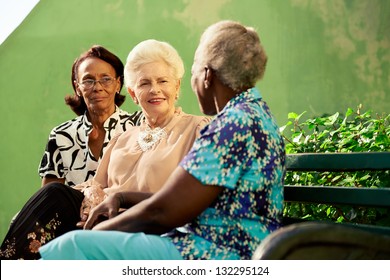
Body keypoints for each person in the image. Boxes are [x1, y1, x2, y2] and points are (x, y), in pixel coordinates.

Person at [39, 20, 286, 260]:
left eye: (192, 74)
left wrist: (95, 234)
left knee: (72, 246)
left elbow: (164, 211)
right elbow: (175, 201)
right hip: (218, 242)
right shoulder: (251, 114)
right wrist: (121, 198)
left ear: (207, 75)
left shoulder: (232, 125)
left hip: (214, 252)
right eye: (145, 83)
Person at [0, 40, 209, 260]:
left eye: (163, 81)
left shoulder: (197, 129)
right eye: (144, 83)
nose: (154, 89)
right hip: (100, 222)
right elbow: (95, 189)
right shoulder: (123, 138)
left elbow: (191, 199)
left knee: (54, 202)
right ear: (133, 93)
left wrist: (120, 199)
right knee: (52, 199)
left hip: (144, 225)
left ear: (176, 87)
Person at [38, 45, 142, 187]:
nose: (97, 87)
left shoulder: (138, 126)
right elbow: (51, 198)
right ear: (77, 88)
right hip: (75, 210)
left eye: (106, 79)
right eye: (88, 80)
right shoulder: (61, 136)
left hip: (128, 209)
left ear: (118, 84)